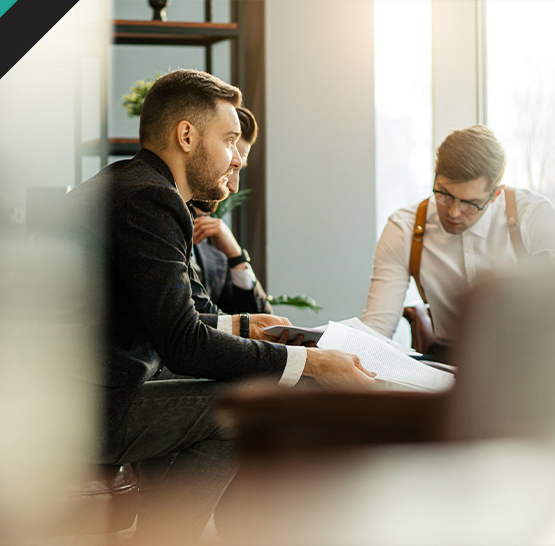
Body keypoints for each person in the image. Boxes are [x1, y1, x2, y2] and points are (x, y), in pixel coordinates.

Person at [48, 69, 375, 544]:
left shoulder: (130, 182)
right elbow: (181, 343)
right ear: (186, 135)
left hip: (74, 397)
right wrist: (314, 361)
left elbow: (161, 318)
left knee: (235, 385)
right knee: (252, 405)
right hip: (80, 412)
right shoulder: (149, 199)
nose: (238, 156)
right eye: (230, 140)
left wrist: (243, 324)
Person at [361, 124, 555, 361]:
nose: (454, 212)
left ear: (495, 194)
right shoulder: (405, 227)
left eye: (471, 203)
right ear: (436, 171)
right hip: (446, 362)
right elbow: (377, 327)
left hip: (522, 361)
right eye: (445, 194)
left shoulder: (533, 215)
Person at [189, 106, 272, 315]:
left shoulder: (214, 246)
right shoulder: (153, 221)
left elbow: (260, 321)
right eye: (231, 167)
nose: (234, 187)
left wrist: (237, 257)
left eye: (239, 169)